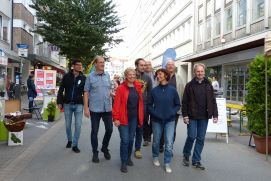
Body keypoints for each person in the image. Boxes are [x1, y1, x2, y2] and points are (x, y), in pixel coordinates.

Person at [182, 63, 218, 170]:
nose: (200, 73)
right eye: (198, 71)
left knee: (201, 138)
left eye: (202, 71)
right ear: (194, 72)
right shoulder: (189, 85)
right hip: (192, 116)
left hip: (204, 116)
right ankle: (186, 154)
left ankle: (196, 160)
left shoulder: (208, 85)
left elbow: (213, 101)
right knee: (191, 136)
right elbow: (184, 102)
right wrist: (185, 115)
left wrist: (215, 114)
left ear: (204, 72)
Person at [148, 68, 180, 173]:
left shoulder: (173, 90)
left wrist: (172, 113)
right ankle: (155, 156)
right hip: (156, 120)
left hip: (170, 120)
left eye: (160, 74)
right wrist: (155, 114)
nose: (158, 76)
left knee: (169, 142)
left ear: (166, 75)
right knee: (156, 141)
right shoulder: (154, 90)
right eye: (157, 75)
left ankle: (167, 163)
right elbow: (149, 105)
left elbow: (177, 105)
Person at [112, 68, 144, 173]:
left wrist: (141, 117)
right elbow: (116, 104)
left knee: (131, 140)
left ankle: (128, 157)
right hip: (123, 118)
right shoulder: (121, 88)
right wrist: (115, 118)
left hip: (134, 118)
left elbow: (140, 104)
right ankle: (124, 162)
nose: (132, 76)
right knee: (125, 140)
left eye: (133, 74)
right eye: (129, 74)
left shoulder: (138, 87)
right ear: (126, 76)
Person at [84, 55, 113, 163]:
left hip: (107, 108)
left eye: (103, 62)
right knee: (94, 132)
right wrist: (86, 108)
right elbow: (86, 92)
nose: (102, 64)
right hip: (95, 109)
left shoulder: (107, 75)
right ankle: (95, 152)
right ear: (95, 64)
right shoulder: (90, 77)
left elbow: (108, 89)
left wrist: (112, 94)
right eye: (100, 62)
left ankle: (104, 147)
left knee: (109, 129)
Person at [57, 59, 86, 153]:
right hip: (67, 104)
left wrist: (87, 105)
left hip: (78, 104)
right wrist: (59, 102)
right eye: (78, 65)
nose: (79, 67)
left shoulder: (83, 78)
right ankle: (69, 140)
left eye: (80, 65)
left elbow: (86, 92)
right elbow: (61, 90)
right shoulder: (66, 76)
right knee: (68, 125)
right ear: (73, 66)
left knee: (78, 125)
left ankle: (75, 144)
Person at [159, 60, 182, 153]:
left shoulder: (179, 78)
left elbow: (182, 92)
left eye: (172, 65)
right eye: (169, 65)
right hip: (161, 108)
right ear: (166, 66)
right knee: (161, 128)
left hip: (174, 109)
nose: (171, 66)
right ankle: (160, 144)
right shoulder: (161, 76)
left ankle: (169, 147)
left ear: (174, 67)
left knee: (172, 129)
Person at [134, 58, 152, 158]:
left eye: (145, 65)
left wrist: (148, 106)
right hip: (131, 106)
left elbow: (150, 92)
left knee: (140, 126)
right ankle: (128, 146)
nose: (144, 67)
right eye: (141, 65)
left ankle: (137, 149)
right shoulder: (131, 75)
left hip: (143, 105)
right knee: (131, 127)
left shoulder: (147, 77)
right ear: (136, 65)